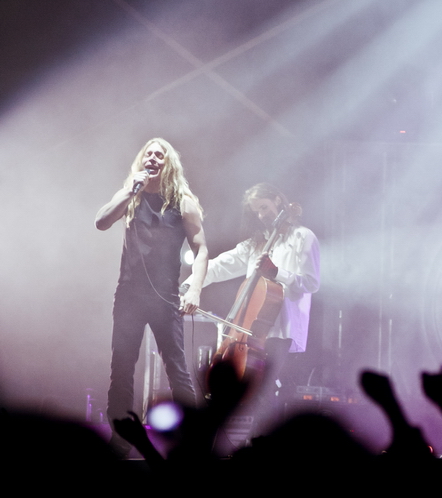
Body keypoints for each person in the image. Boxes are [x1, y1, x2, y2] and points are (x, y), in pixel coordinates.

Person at [96, 138, 208, 449]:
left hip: (166, 297)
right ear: (142, 160)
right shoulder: (129, 194)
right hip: (129, 294)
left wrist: (195, 288)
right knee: (121, 367)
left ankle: (193, 439)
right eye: (149, 153)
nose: (154, 157)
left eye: (161, 154)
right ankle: (120, 438)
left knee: (176, 366)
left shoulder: (183, 202)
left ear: (169, 163)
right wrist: (131, 190)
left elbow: (201, 250)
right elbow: (101, 222)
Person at [187, 183, 320, 424]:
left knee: (264, 392)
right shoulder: (257, 243)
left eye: (264, 207)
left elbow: (311, 283)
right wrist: (189, 286)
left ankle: (259, 445)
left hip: (282, 330)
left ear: (278, 201)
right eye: (256, 211)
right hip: (251, 332)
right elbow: (219, 265)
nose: (261, 215)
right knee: (245, 393)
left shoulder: (304, 237)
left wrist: (277, 272)